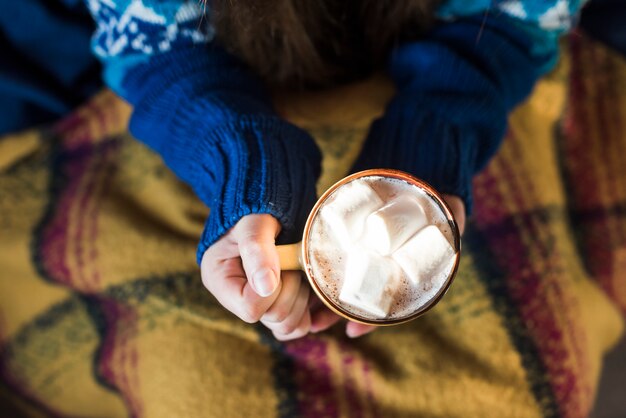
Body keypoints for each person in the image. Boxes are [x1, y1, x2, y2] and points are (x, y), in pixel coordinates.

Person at [77, 0, 582, 341]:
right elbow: (156, 53)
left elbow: (515, 24)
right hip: (220, 68)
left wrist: (436, 124)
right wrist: (245, 157)